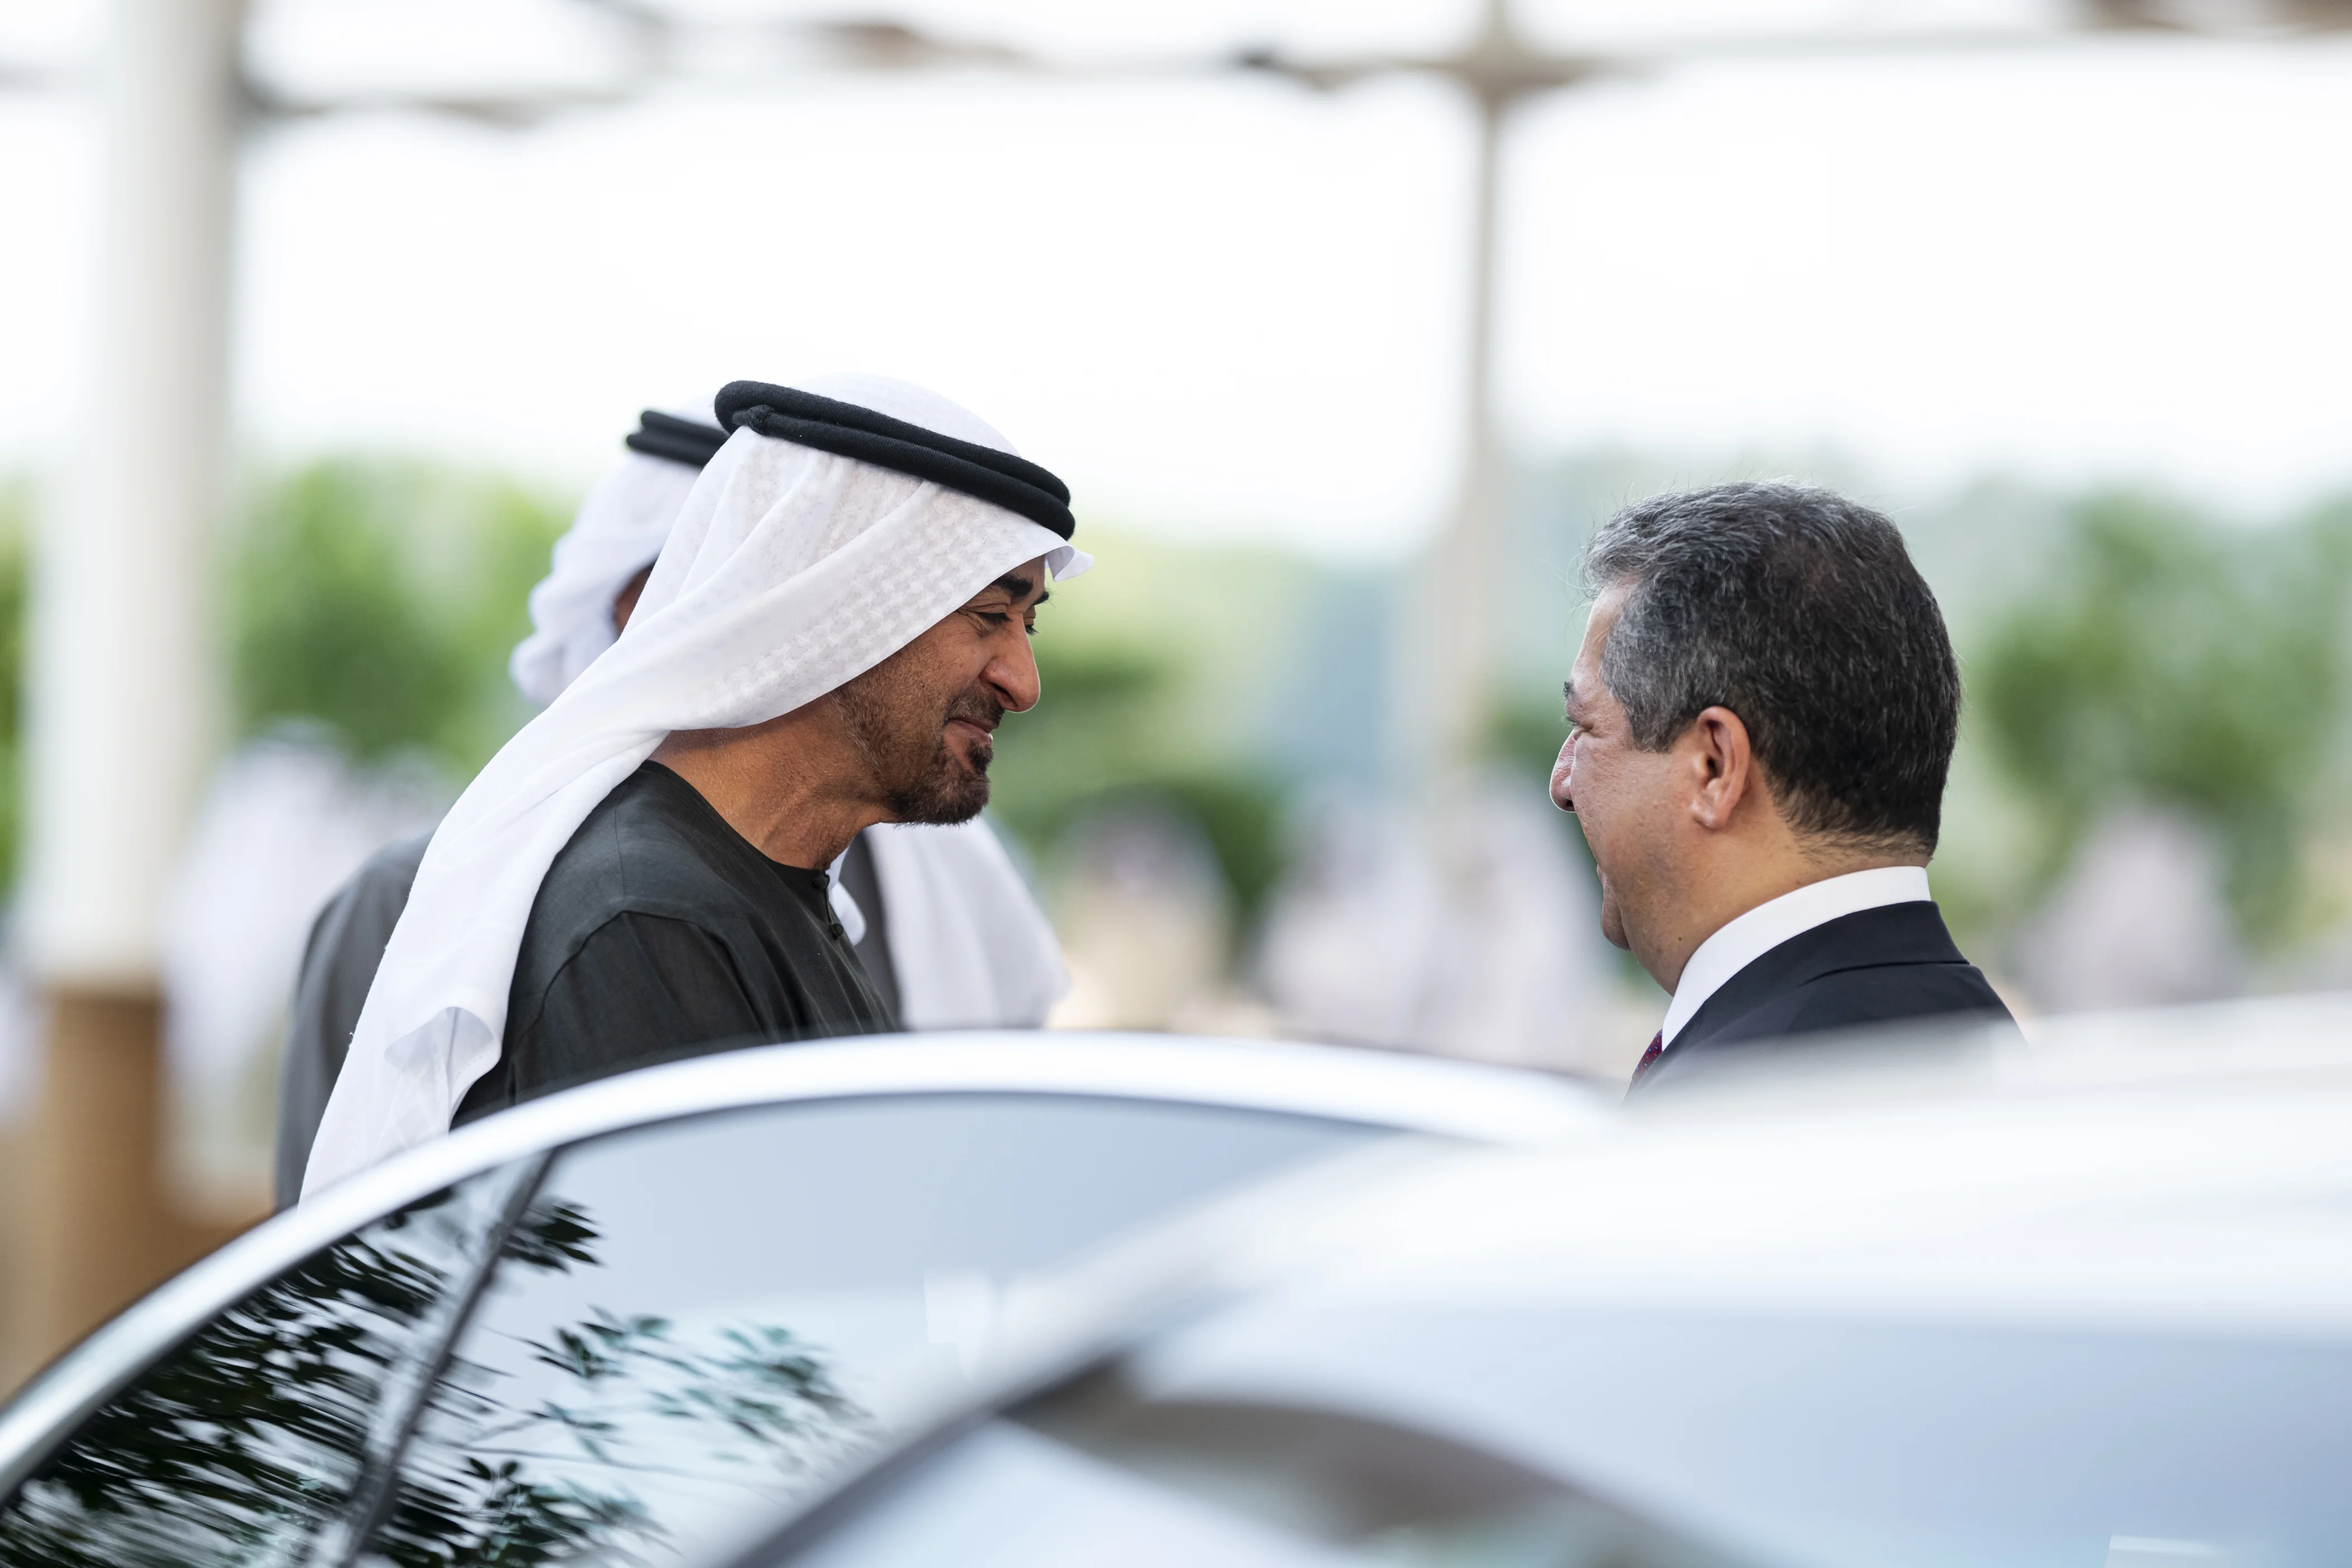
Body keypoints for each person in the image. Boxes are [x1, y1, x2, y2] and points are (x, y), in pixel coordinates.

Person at [300, 374, 1085, 1197]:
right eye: (990, 616)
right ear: (837, 604)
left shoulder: (779, 898)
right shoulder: (646, 923)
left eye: (1028, 624)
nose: (1023, 682)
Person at [1550, 482, 2012, 1094]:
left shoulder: (1731, 1111)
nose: (1562, 783)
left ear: (1715, 767)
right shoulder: (1994, 1051)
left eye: (1585, 727)